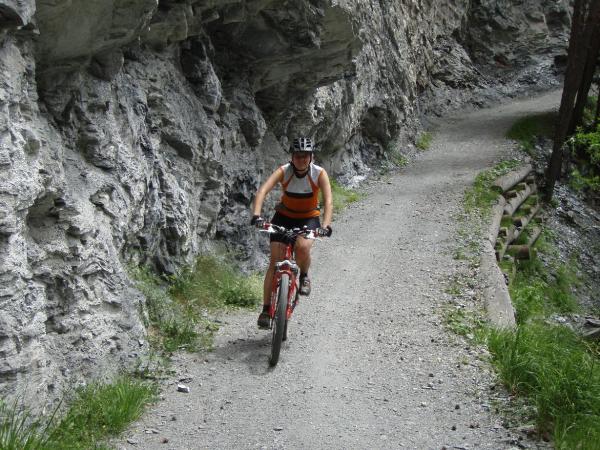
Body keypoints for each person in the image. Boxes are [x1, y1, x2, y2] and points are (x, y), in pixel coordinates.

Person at [250, 137, 333, 329]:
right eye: (298, 156)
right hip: (283, 217)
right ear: (292, 157)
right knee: (275, 261)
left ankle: (304, 276)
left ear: (311, 157)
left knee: (302, 247)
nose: (301, 159)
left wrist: (326, 226)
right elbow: (263, 191)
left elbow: (328, 201)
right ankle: (265, 310)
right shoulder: (284, 171)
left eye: (305, 156)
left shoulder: (319, 173)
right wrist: (257, 215)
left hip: (308, 218)